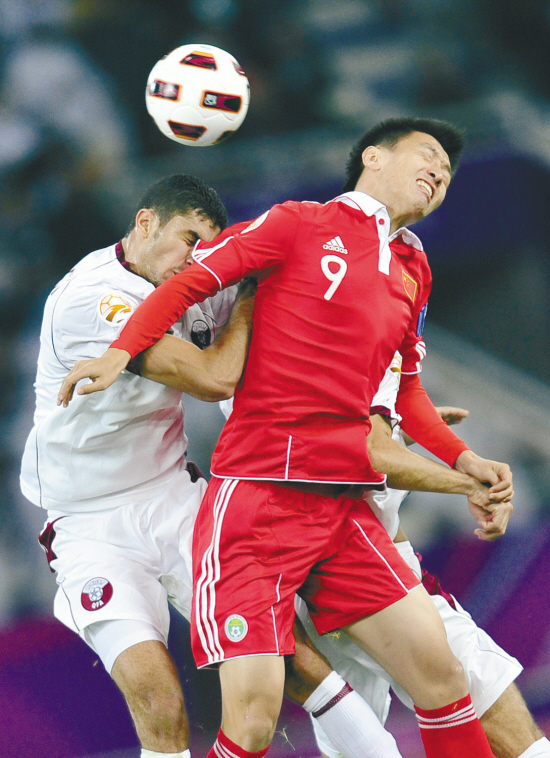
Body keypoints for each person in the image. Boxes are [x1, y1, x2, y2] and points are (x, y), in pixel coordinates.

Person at [57, 118, 514, 758]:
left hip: (341, 504)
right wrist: (120, 351)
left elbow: (405, 386)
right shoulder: (298, 222)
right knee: (250, 722)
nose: (440, 173)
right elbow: (193, 282)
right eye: (429, 155)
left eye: (448, 171)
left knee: (442, 677)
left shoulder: (413, 265)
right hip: (259, 503)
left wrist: (466, 458)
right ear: (373, 158)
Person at [20, 175, 256, 758]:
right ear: (145, 221)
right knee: (160, 704)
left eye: (208, 247)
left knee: (281, 655)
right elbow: (213, 379)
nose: (194, 259)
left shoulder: (197, 282)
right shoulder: (91, 297)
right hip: (91, 524)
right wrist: (251, 297)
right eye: (186, 238)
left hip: (173, 495)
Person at [291, 355, 550, 758]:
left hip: (343, 554)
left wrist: (400, 430)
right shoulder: (321, 313)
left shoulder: (395, 305)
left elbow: (355, 432)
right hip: (345, 555)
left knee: (364, 738)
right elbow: (369, 452)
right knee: (463, 681)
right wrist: (468, 482)